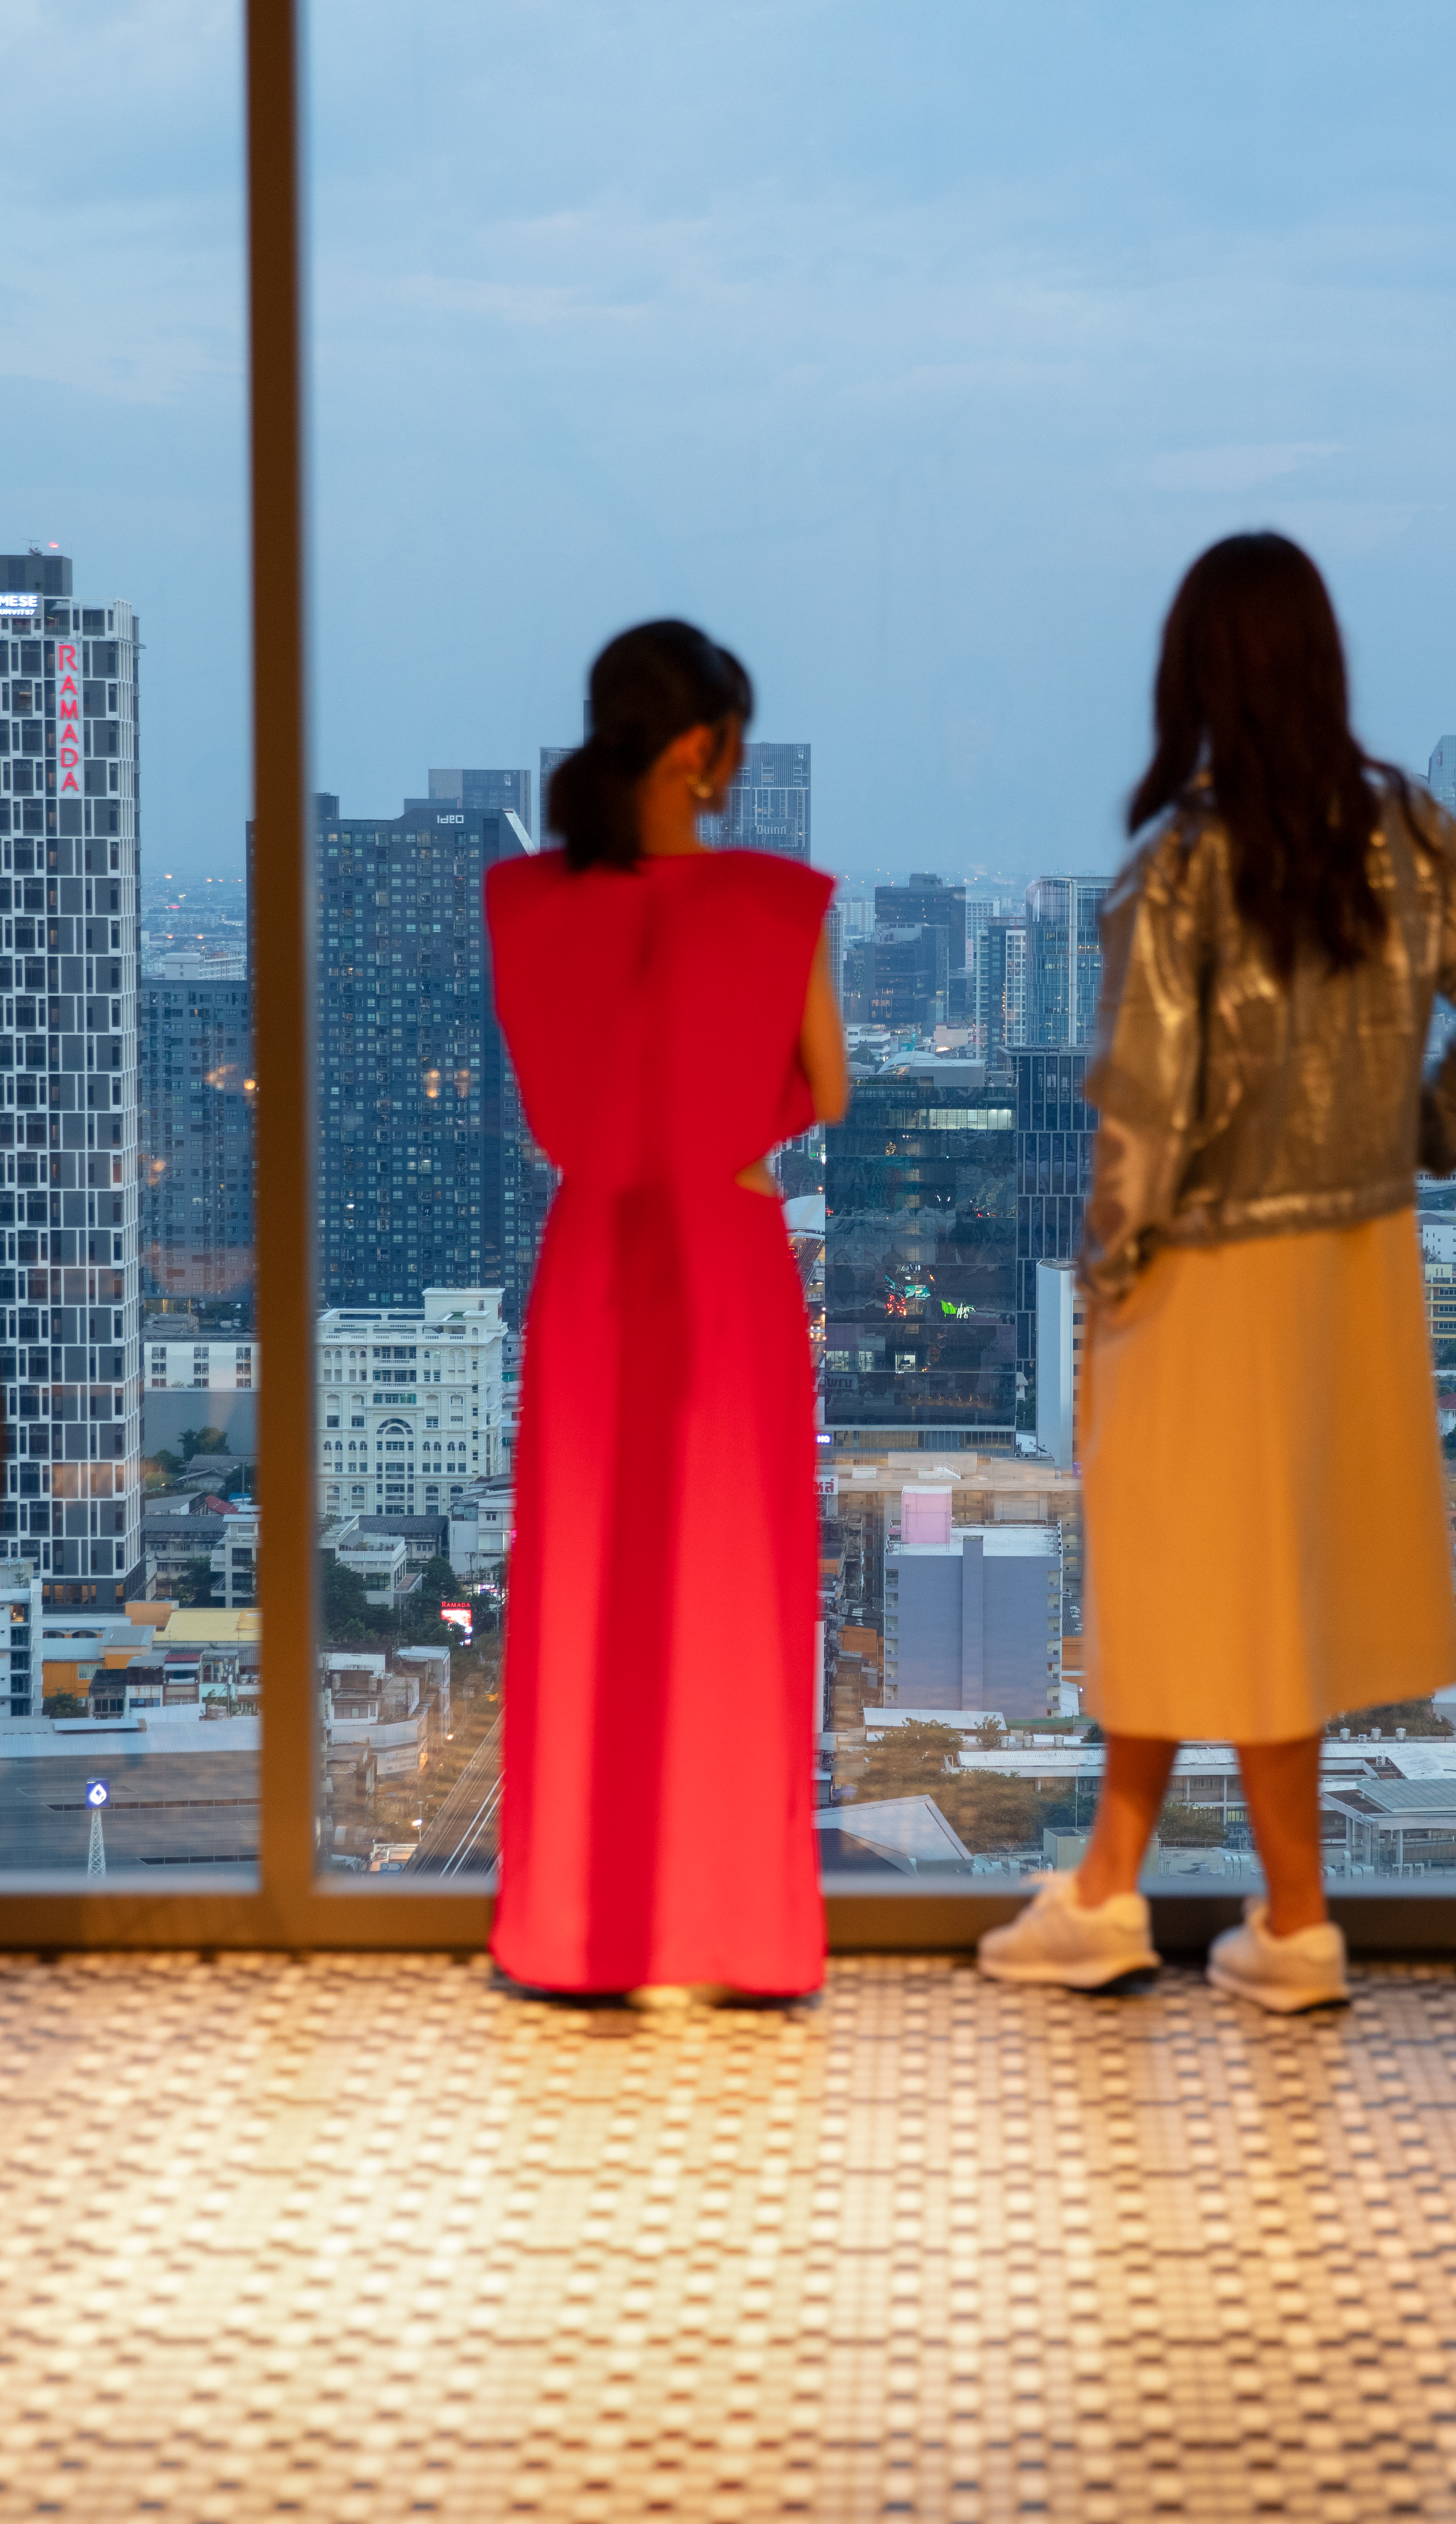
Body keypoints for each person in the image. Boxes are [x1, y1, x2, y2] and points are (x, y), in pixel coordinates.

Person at [978, 533, 1456, 2011]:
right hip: (1356, 1267)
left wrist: (1106, 1282)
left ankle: (1144, 1900)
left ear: (1193, 674)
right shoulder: (1409, 834)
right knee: (1273, 1582)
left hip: (1208, 1278)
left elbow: (1146, 1118)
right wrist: (1427, 1127)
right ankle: (1273, 1914)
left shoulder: (1180, 867)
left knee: (1188, 1575)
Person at [485, 619, 848, 2005]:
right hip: (730, 1255)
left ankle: (583, 1931)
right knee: (736, 1595)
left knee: (589, 1592)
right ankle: (739, 1936)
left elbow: (550, 1109)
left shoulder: (528, 903)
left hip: (592, 1262)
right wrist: (740, 1128)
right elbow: (830, 1084)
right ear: (702, 748)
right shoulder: (777, 908)